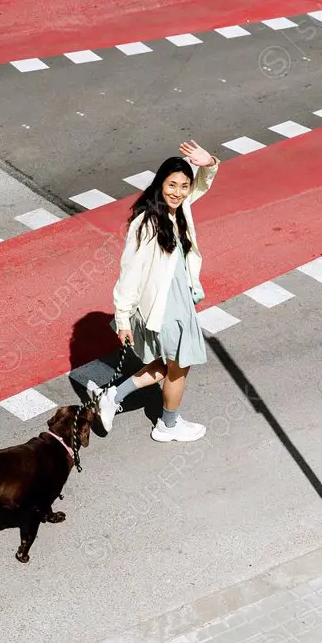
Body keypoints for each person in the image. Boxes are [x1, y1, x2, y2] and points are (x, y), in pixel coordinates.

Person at [88, 141, 220, 442]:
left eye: (184, 186)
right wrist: (122, 319)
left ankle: (111, 396)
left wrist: (209, 162)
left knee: (165, 363)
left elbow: (203, 184)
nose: (178, 191)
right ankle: (168, 425)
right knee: (180, 365)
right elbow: (129, 274)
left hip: (179, 299)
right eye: (172, 185)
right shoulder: (145, 224)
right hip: (166, 306)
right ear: (160, 183)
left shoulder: (180, 207)